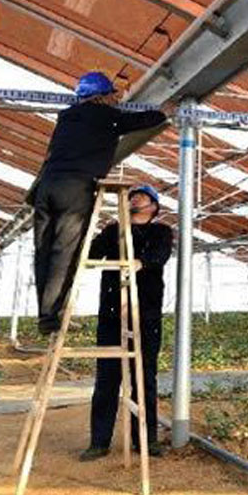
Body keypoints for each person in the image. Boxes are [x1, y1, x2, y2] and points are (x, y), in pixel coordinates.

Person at [32, 72, 171, 334]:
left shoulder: (67, 117)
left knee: (43, 251)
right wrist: (163, 113)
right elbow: (136, 121)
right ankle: (51, 318)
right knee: (64, 251)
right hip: (74, 189)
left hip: (46, 187)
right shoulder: (104, 115)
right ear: (101, 96)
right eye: (112, 95)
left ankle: (46, 314)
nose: (115, 100)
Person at [80, 184, 173, 461]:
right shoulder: (113, 231)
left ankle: (145, 439)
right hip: (112, 315)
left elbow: (159, 256)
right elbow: (91, 255)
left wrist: (140, 262)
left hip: (146, 315)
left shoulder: (161, 232)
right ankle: (99, 442)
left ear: (153, 206)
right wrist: (92, 229)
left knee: (144, 377)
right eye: (131, 197)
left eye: (141, 197)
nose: (134, 199)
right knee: (107, 379)